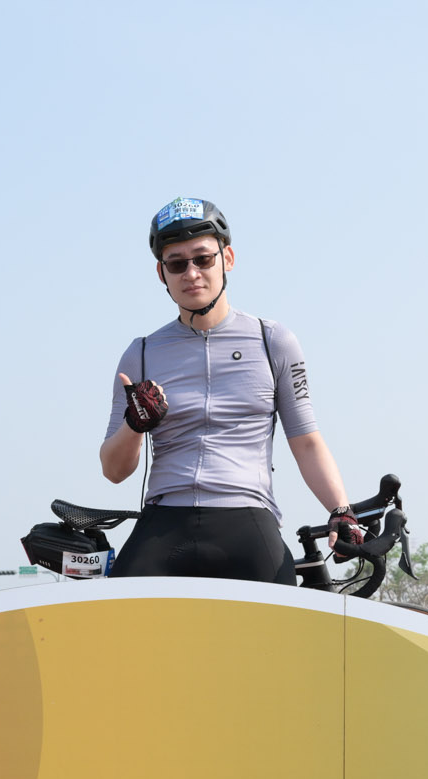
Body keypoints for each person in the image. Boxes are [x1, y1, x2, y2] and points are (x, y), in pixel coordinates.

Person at [98, 197, 363, 582]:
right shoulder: (140, 354)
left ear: (228, 258)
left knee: (285, 619)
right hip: (164, 520)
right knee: (119, 614)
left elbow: (306, 442)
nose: (191, 273)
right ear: (162, 273)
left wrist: (341, 510)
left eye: (203, 259)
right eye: (177, 264)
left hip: (247, 518)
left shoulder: (273, 341)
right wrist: (134, 426)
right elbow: (113, 471)